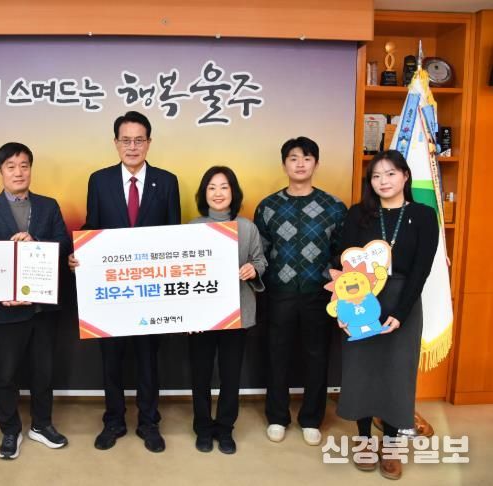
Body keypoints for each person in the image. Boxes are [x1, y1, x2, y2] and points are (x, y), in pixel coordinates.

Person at [69, 110, 181, 453]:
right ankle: (114, 421)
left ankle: (149, 422)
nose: (132, 146)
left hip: (150, 290)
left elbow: (174, 235)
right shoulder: (99, 181)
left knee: (148, 359)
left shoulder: (167, 181)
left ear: (149, 142)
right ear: (116, 143)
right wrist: (79, 255)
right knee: (111, 359)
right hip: (111, 290)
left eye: (139, 140)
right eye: (126, 140)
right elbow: (92, 227)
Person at [335, 150, 438, 480]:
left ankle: (391, 446)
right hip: (362, 299)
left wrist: (401, 313)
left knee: (397, 375)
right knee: (361, 372)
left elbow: (421, 270)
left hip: (403, 300)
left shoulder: (423, 215)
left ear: (405, 176)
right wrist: (344, 308)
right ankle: (365, 440)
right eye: (376, 176)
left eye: (391, 173)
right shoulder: (358, 215)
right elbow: (345, 264)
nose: (383, 181)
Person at [0, 142, 72, 460]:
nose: (18, 172)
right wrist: (2, 294)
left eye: (24, 165)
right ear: (0, 171)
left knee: (43, 371)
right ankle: (10, 430)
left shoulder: (48, 206)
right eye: (11, 166)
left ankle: (41, 425)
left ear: (31, 169)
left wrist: (36, 242)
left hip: (42, 308)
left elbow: (64, 244)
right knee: (6, 375)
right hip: (5, 309)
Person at [254, 136, 347, 446]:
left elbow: (341, 253)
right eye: (293, 158)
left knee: (317, 357)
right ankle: (277, 417)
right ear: (284, 164)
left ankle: (311, 418)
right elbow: (260, 252)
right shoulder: (268, 206)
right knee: (276, 355)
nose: (300, 164)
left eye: (307, 158)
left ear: (316, 164)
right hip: (279, 293)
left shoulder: (334, 207)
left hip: (318, 294)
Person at [188, 166, 267, 454]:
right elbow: (182, 273)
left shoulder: (247, 227)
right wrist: (187, 314)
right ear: (204, 193)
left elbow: (260, 261)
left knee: (231, 376)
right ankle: (202, 427)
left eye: (224, 187)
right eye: (212, 187)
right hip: (201, 317)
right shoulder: (192, 228)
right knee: (200, 375)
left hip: (237, 313)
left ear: (233, 192)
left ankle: (225, 429)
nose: (218, 193)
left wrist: (252, 269)